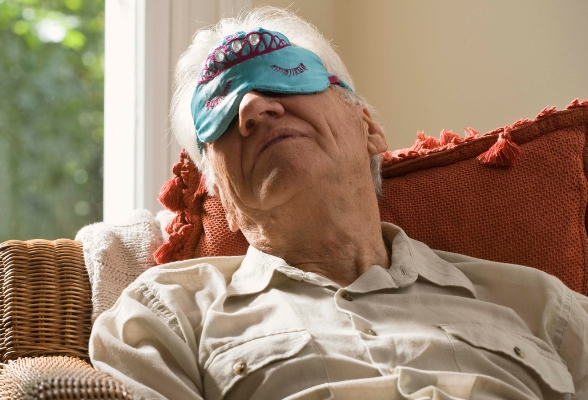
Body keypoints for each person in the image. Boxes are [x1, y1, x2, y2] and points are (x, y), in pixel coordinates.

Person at [89, 7, 588, 400]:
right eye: (218, 115)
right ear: (220, 196)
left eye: (285, 74)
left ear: (368, 127)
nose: (252, 108)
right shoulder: (166, 317)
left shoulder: (543, 307)